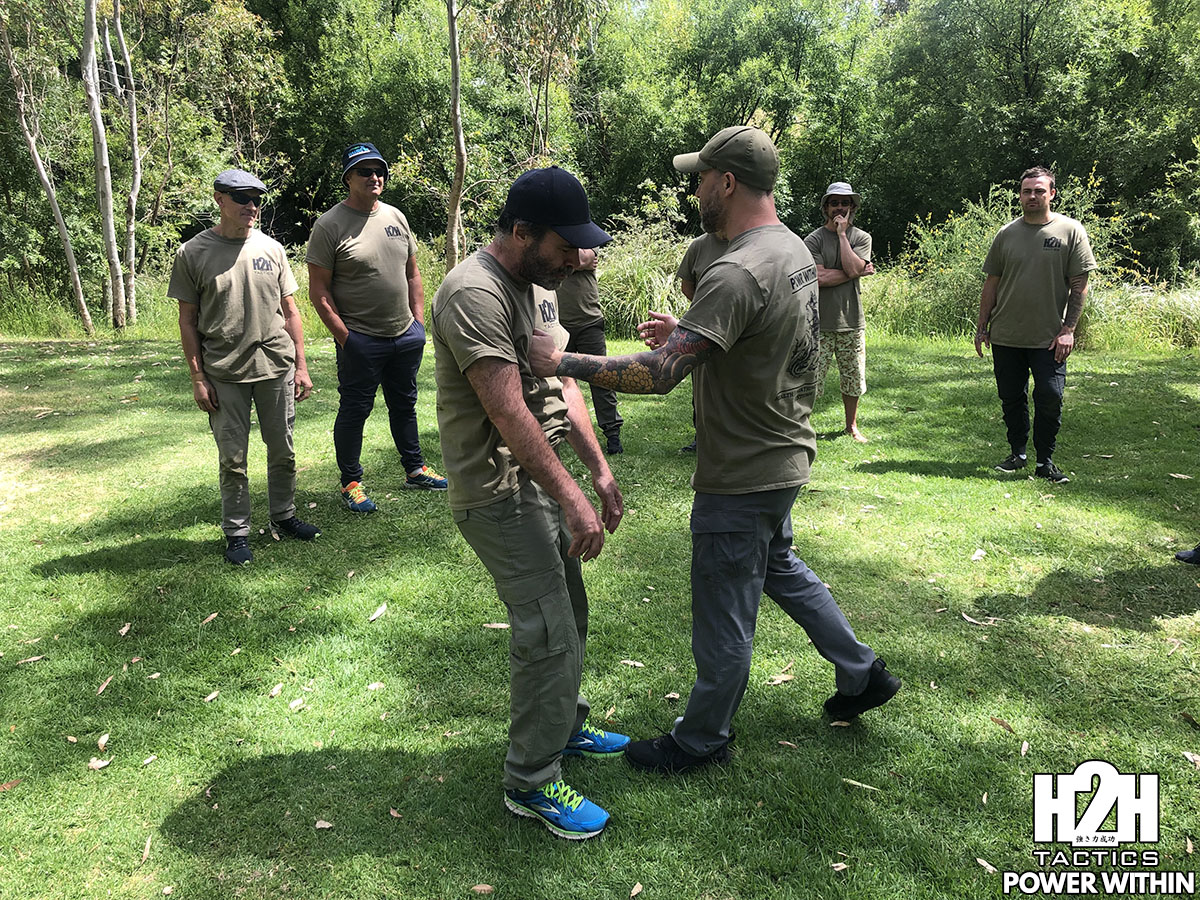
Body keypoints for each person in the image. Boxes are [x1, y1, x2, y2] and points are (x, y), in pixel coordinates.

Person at [530, 127, 900, 776]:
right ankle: (861, 671)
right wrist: (694, 331)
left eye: (700, 177)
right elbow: (762, 332)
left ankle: (702, 738)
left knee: (724, 609)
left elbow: (659, 374)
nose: (695, 189)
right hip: (785, 453)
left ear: (727, 182)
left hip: (742, 472)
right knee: (779, 566)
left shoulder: (735, 269)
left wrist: (561, 361)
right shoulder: (789, 247)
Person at [429, 166, 629, 840]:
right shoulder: (473, 293)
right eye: (566, 246)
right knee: (546, 630)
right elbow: (509, 411)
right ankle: (531, 780)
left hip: (540, 478)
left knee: (569, 610)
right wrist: (572, 497)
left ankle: (563, 727)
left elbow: (561, 386)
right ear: (521, 232)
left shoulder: (542, 282)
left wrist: (598, 471)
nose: (578, 259)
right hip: (497, 489)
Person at [170, 169, 321, 565]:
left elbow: (291, 311)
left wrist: (301, 365)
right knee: (233, 459)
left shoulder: (272, 249)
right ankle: (237, 533)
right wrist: (197, 376)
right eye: (242, 198)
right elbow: (187, 320)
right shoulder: (192, 253)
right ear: (219, 199)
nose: (251, 206)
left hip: (275, 366)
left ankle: (284, 515)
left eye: (256, 199)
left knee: (283, 450)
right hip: (224, 372)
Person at [307, 142, 447, 514]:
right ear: (348, 178)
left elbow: (412, 274)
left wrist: (418, 323)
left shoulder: (395, 216)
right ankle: (351, 482)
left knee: (405, 404)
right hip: (360, 339)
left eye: (379, 170)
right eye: (365, 171)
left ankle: (415, 470)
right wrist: (346, 338)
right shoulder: (329, 225)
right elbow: (319, 291)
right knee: (355, 410)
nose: (374, 177)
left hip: (404, 335)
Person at [976, 166, 1096, 485]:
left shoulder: (1070, 231)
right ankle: (1018, 454)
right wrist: (982, 326)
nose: (1032, 196)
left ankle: (1045, 461)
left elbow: (1080, 286)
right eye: (1027, 191)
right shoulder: (1006, 234)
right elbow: (992, 283)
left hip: (1050, 338)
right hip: (1007, 335)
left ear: (1052, 193)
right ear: (1020, 195)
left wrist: (1068, 330)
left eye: (1039, 191)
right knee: (1011, 397)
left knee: (1050, 395)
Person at [804, 182, 875, 442]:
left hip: (851, 321)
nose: (840, 208)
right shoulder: (813, 240)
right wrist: (856, 272)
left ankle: (851, 426)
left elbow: (848, 268)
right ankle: (802, 427)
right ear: (826, 208)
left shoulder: (861, 238)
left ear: (852, 207)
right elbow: (818, 277)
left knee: (853, 379)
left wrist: (843, 235)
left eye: (845, 203)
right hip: (818, 323)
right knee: (810, 380)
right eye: (834, 203)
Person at [658, 233, 728, 452]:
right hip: (703, 326)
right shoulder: (699, 245)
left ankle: (729, 439)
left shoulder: (749, 241)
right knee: (702, 385)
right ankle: (702, 437)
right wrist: (706, 308)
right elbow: (687, 286)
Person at [556, 250, 624, 454]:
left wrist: (559, 260)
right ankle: (565, 430)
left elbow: (586, 258)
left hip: (589, 322)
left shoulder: (584, 235)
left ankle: (612, 433)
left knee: (601, 377)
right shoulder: (551, 237)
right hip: (558, 325)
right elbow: (577, 261)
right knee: (561, 382)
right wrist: (573, 262)